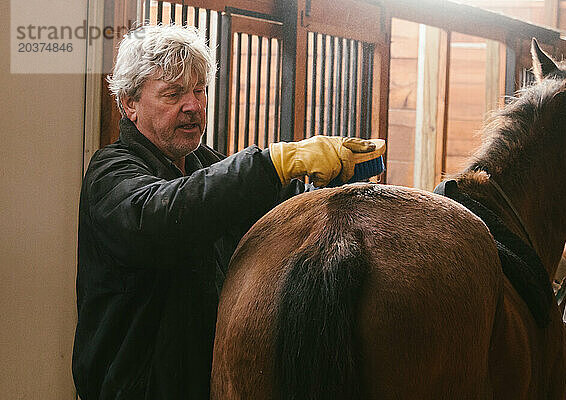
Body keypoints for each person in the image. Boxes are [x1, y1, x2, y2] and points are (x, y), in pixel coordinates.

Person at [72, 24, 384, 400]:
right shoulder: (111, 171)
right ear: (129, 104)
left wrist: (316, 188)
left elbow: (267, 225)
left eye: (200, 90)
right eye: (173, 94)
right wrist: (272, 164)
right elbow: (159, 218)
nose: (194, 106)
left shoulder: (205, 164)